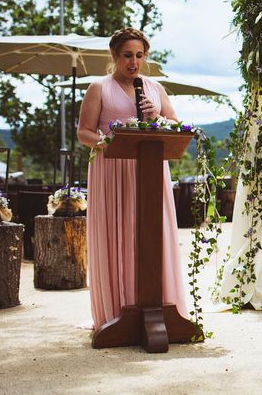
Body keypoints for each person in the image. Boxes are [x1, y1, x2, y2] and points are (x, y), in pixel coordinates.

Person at [76, 27, 188, 330]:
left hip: (150, 170)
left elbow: (176, 127)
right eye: (127, 55)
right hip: (112, 170)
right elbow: (84, 132)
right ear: (114, 56)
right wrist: (107, 142)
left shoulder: (156, 89)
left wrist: (157, 119)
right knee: (119, 231)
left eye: (139, 56)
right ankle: (116, 310)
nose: (133, 62)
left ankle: (158, 304)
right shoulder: (99, 87)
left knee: (151, 232)